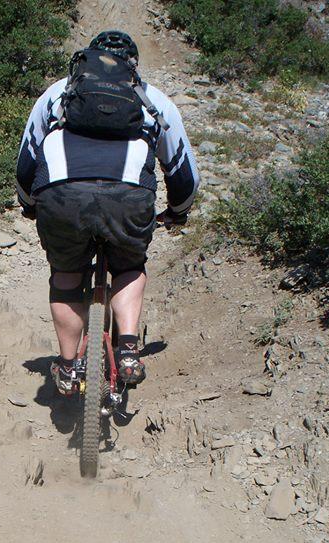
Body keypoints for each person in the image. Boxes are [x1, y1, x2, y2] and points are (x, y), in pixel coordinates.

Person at [15, 30, 200, 395]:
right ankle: (128, 350)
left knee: (67, 274)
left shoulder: (56, 93)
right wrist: (178, 212)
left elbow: (26, 162)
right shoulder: (153, 99)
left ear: (87, 60)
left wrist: (31, 204)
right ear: (133, 66)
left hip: (62, 196)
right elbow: (182, 170)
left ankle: (68, 367)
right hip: (128, 198)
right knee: (128, 265)